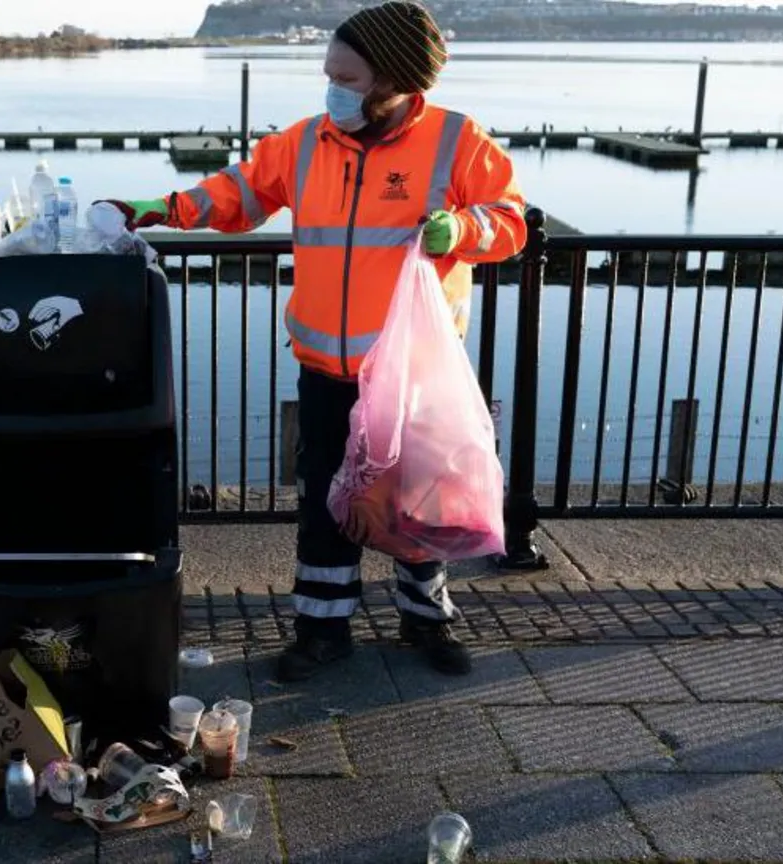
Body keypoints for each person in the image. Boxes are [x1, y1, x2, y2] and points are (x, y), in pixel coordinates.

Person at [101, 1, 527, 681]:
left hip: (410, 372)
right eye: (329, 73)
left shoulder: (456, 141)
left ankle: (425, 620)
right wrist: (159, 210)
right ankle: (322, 628)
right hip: (324, 367)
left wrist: (464, 231)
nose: (333, 89)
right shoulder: (305, 142)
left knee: (419, 500)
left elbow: (511, 220)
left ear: (394, 79)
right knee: (324, 499)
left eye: (347, 77)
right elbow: (234, 195)